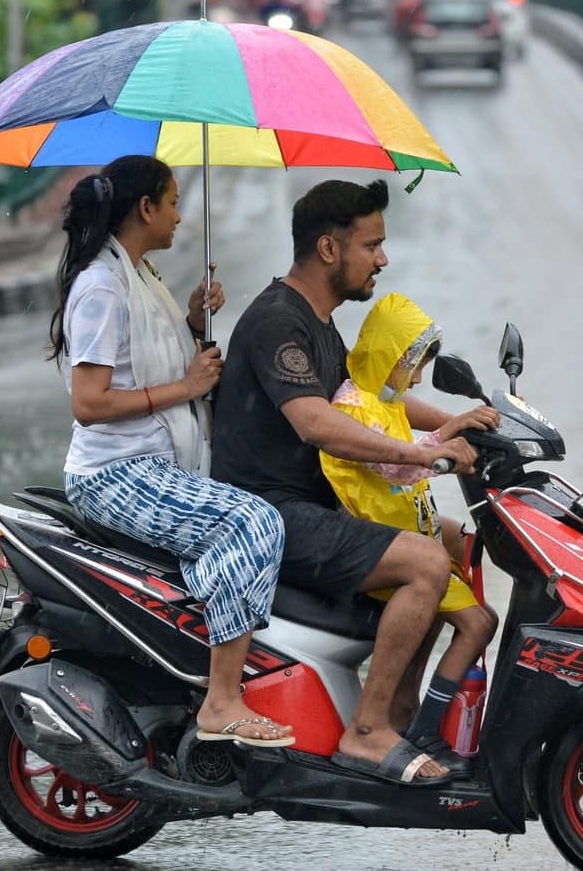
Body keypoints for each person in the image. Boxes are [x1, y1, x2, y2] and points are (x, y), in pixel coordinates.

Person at [211, 178, 495, 785]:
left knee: (447, 539)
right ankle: (366, 732)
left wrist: (458, 423)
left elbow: (368, 400)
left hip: (316, 503)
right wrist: (422, 457)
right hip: (272, 513)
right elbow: (316, 423)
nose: (382, 260)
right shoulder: (278, 321)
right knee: (425, 563)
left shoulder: (319, 322)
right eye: (372, 245)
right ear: (329, 249)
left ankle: (402, 712)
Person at [53, 155, 292, 747]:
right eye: (174, 202)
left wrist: (191, 319)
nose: (181, 217)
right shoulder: (102, 286)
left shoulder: (141, 275)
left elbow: (145, 360)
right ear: (145, 208)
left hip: (156, 461)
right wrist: (186, 388)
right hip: (114, 473)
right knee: (254, 522)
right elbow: (89, 401)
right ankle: (222, 701)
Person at [320, 292, 500, 779]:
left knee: (467, 545)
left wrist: (459, 428)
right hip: (382, 542)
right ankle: (424, 731)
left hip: (410, 527)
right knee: (479, 624)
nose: (417, 378)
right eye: (412, 365)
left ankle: (407, 708)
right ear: (389, 355)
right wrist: (447, 438)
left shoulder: (384, 400)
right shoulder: (352, 408)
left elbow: (409, 443)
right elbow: (395, 464)